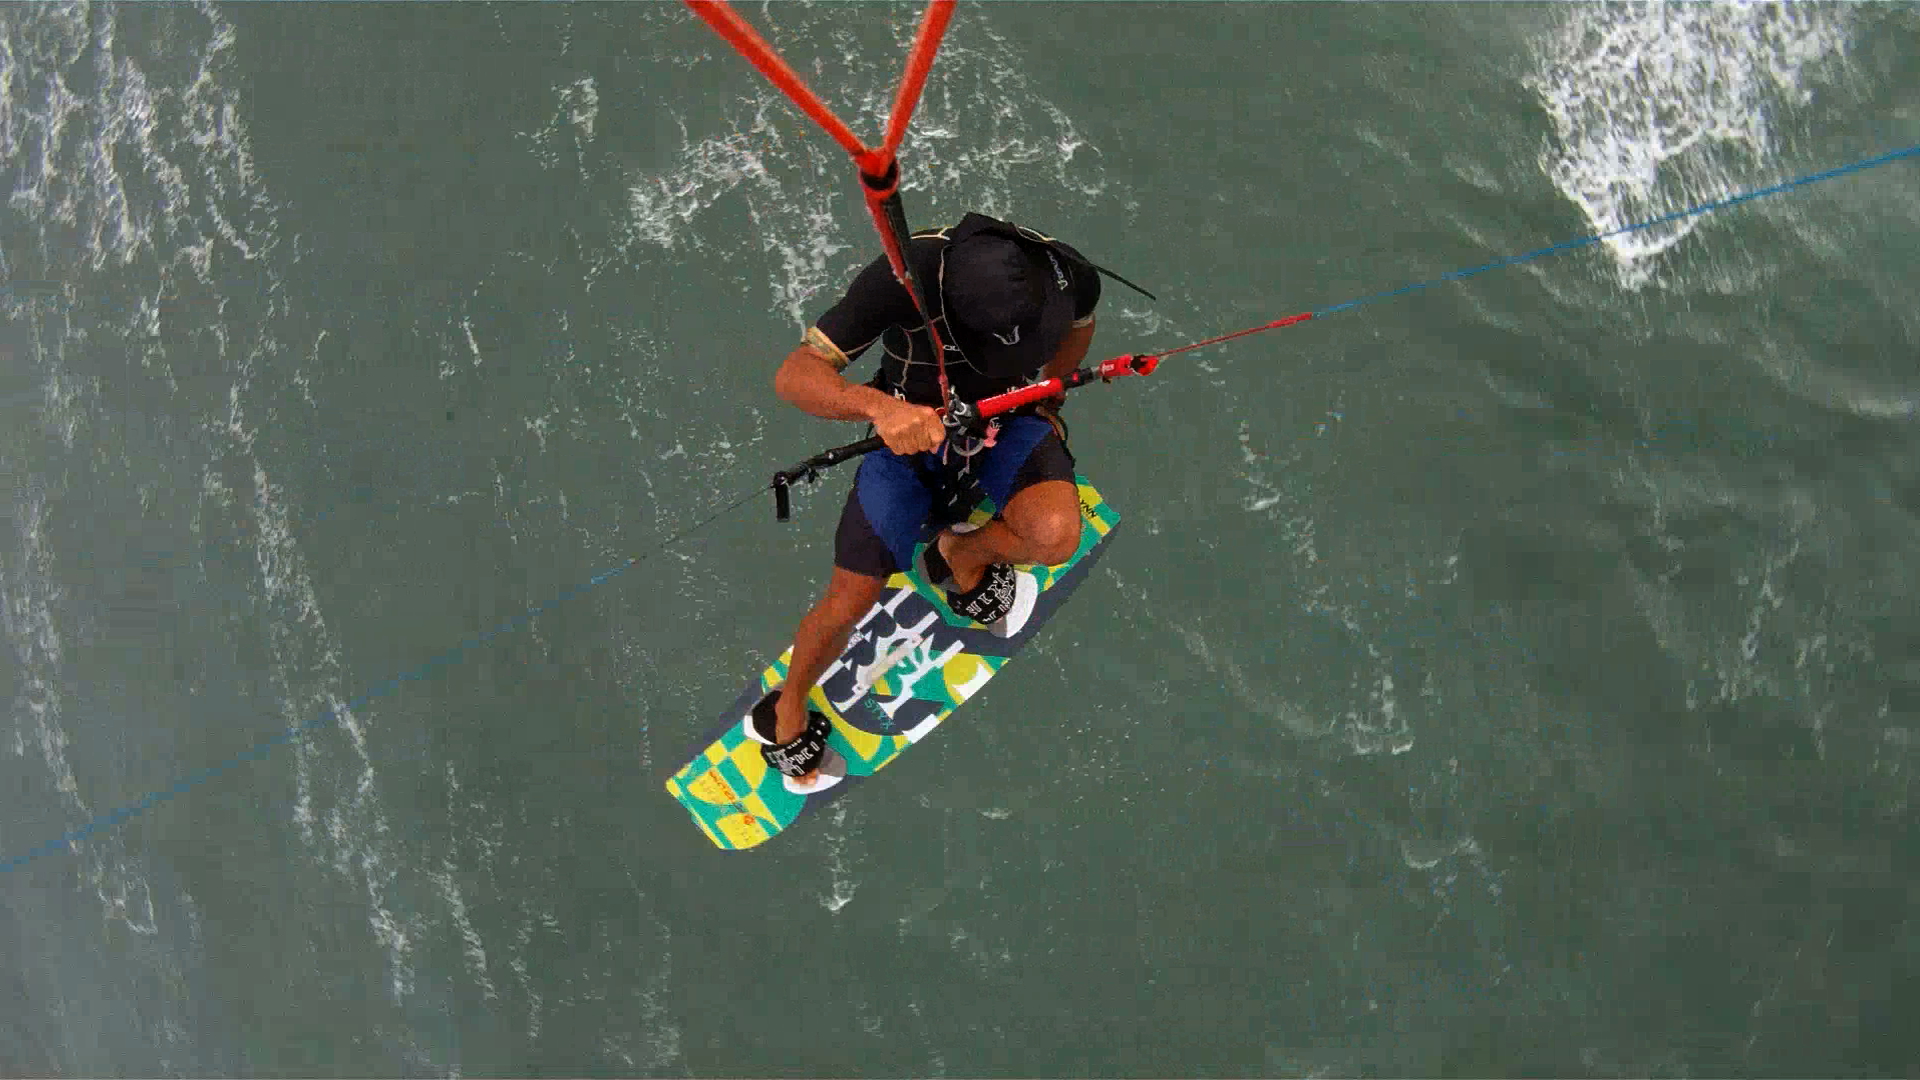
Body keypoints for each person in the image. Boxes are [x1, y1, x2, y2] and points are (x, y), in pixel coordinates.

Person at [754, 212, 1103, 785]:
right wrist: (881, 410)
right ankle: (788, 706)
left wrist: (1047, 400)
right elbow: (795, 375)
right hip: (906, 437)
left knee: (1056, 537)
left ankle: (961, 552)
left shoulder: (1068, 272)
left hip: (1005, 420)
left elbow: (1080, 327)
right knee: (848, 601)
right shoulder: (904, 277)